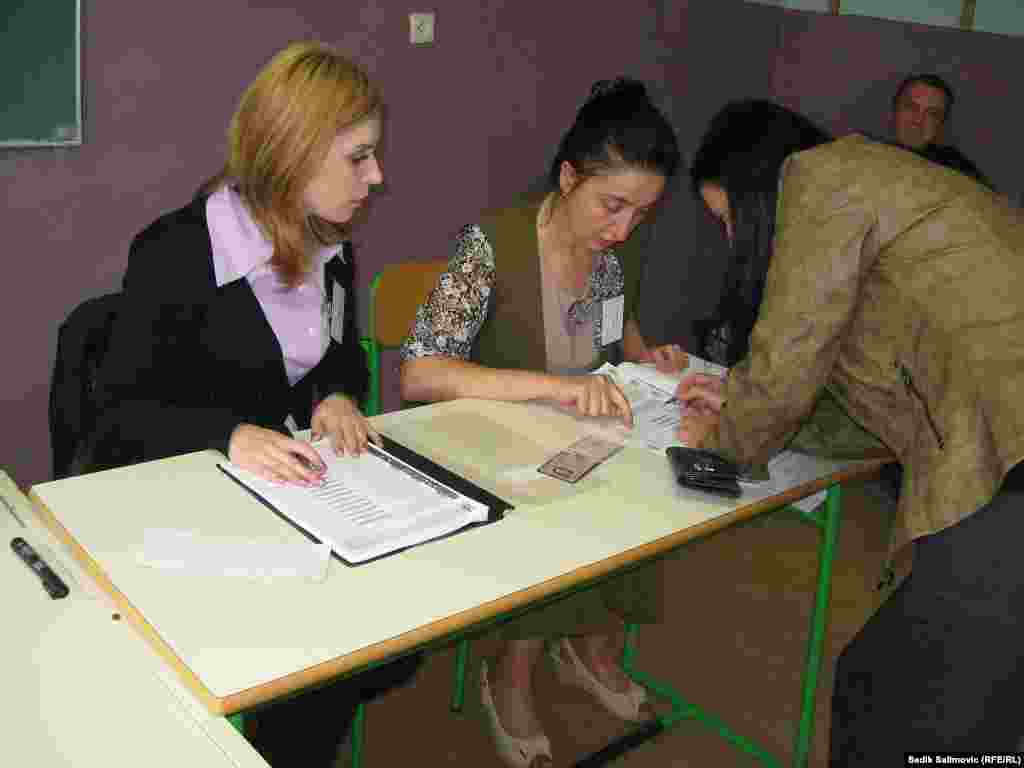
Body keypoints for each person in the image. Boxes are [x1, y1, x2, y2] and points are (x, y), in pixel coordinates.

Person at [79, 41, 419, 767]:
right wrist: (228, 433)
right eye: (358, 157)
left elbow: (338, 354)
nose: (377, 176)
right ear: (294, 154)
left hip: (294, 500)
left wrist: (336, 393)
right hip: (193, 513)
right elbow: (116, 415)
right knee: (322, 666)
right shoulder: (174, 254)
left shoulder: (331, 242)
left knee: (395, 632)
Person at [676, 99, 1024, 763]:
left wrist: (718, 444)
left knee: (900, 705)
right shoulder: (872, 182)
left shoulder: (818, 178)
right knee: (918, 692)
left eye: (727, 220)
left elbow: (789, 355)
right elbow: (857, 404)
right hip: (999, 454)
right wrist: (741, 407)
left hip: (1007, 468)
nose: (730, 243)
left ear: (756, 185)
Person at [400, 78, 680, 767]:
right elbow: (420, 373)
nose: (622, 230)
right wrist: (554, 390)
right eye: (611, 206)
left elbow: (616, 337)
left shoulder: (614, 257)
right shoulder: (490, 245)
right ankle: (513, 676)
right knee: (558, 512)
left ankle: (590, 650)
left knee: (653, 491)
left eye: (640, 215)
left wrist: (656, 362)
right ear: (567, 177)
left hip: (578, 436)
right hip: (492, 445)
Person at [889, 73, 991, 187]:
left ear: (941, 124)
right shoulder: (871, 155)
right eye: (910, 107)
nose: (918, 120)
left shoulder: (959, 171)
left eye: (932, 114)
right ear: (895, 109)